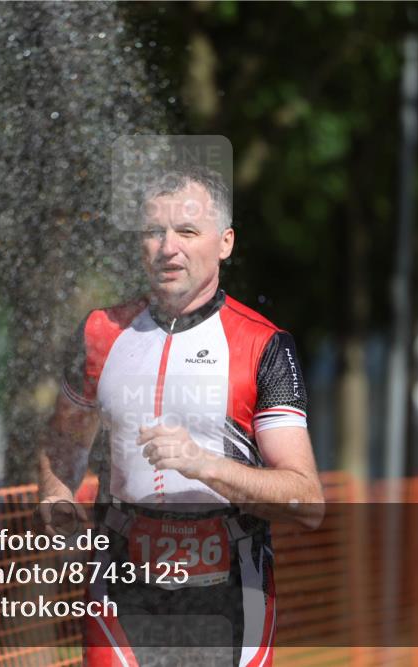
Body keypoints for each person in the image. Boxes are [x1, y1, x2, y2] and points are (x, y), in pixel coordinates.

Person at [38, 165, 324, 666]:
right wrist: (58, 507)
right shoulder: (100, 333)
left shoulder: (262, 345)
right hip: (121, 581)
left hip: (231, 589)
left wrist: (204, 464)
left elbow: (306, 499)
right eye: (154, 231)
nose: (169, 247)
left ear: (225, 242)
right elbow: (63, 444)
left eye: (187, 231)